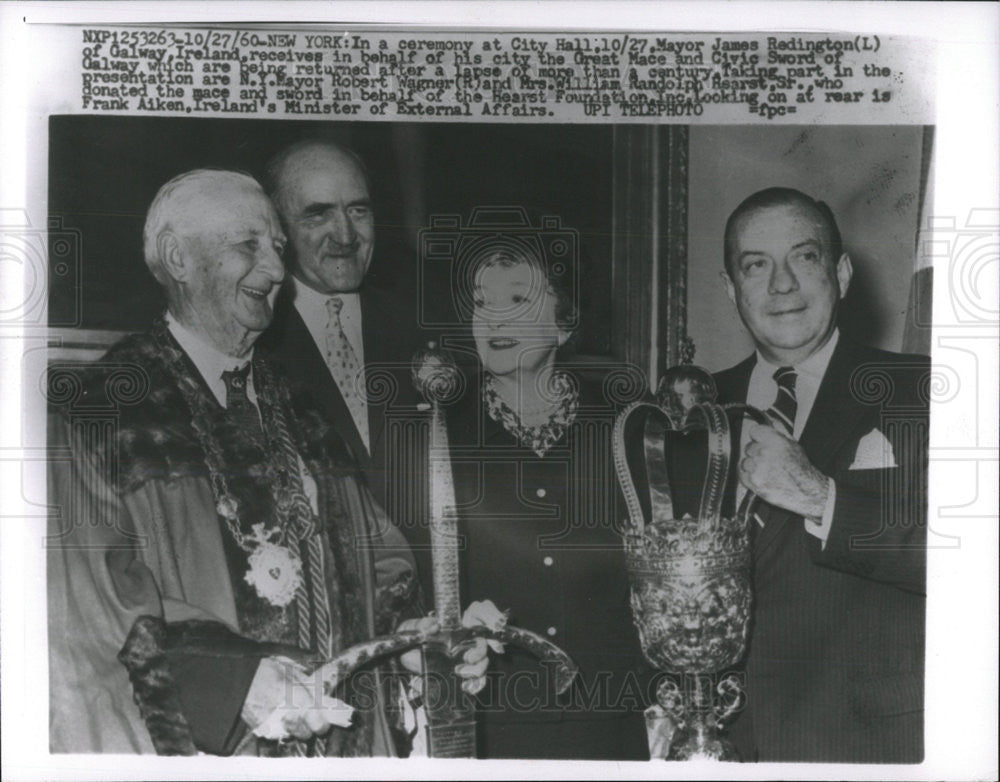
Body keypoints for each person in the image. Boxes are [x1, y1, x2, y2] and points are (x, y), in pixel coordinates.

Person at [46, 169, 490, 757]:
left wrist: (405, 642)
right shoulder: (103, 412)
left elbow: (375, 562)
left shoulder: (298, 404)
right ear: (179, 258)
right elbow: (89, 615)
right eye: (247, 245)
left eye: (278, 247)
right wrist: (233, 684)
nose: (279, 270)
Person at [713, 187, 928, 762]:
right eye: (756, 265)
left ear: (842, 272)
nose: (781, 284)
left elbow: (974, 564)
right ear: (732, 289)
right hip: (724, 741)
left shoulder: (925, 390)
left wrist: (819, 497)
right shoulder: (694, 407)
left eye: (803, 258)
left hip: (865, 742)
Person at [443, 246, 652, 759]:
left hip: (609, 715)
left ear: (564, 326)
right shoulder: (441, 432)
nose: (494, 318)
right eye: (482, 302)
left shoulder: (627, 427)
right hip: (491, 712)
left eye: (518, 299)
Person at [257, 139, 429, 523]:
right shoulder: (254, 339)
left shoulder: (423, 327)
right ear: (277, 227)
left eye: (358, 210)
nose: (347, 235)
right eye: (318, 215)